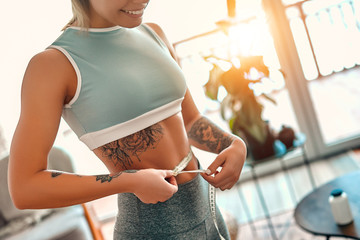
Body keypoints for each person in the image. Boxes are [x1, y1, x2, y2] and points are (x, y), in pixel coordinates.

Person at [9, 0, 247, 239]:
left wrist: (233, 144)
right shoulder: (53, 65)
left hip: (208, 210)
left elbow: (191, 121)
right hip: (150, 229)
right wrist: (127, 182)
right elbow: (24, 188)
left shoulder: (155, 34)